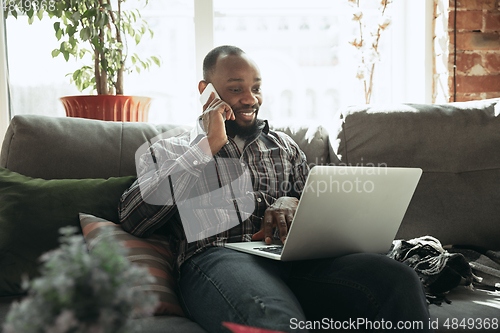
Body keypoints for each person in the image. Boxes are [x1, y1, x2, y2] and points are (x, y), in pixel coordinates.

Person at [119, 45, 433, 333]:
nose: (250, 99)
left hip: (296, 260)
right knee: (272, 317)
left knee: (397, 280)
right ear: (206, 91)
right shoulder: (173, 149)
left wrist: (292, 201)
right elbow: (133, 217)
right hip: (219, 259)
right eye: (236, 88)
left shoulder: (284, 146)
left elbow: (318, 204)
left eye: (256, 88)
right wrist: (207, 147)